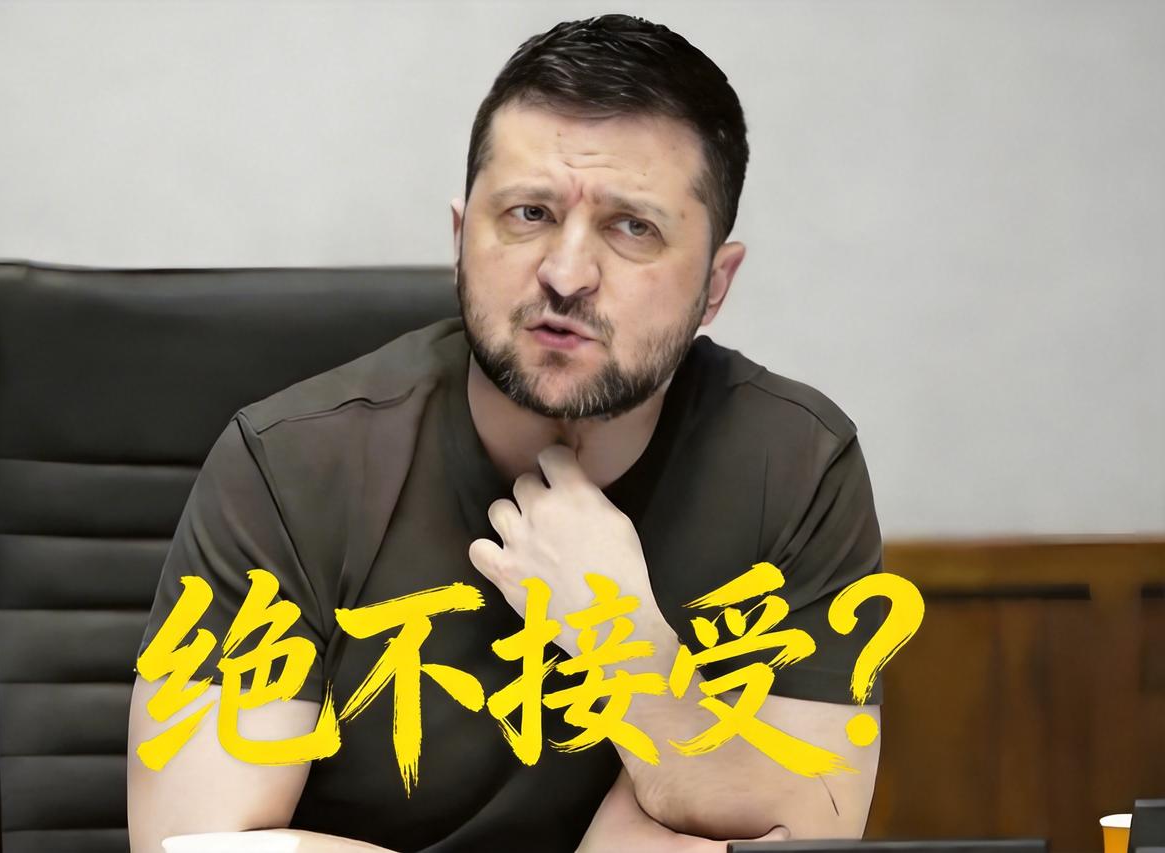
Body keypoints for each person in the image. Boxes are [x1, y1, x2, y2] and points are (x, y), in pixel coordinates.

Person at [128, 13, 885, 853]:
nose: (566, 274)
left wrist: (625, 647)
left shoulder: (796, 468)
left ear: (715, 284)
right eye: (529, 213)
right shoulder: (289, 465)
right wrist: (679, 783)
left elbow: (809, 824)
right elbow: (196, 846)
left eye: (633, 227)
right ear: (461, 240)